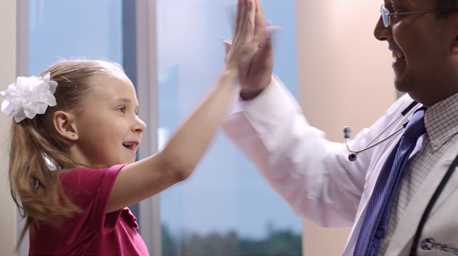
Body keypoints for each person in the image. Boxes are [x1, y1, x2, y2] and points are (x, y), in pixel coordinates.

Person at [2, 0, 259, 254]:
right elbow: (174, 165)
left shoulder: (101, 206)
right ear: (67, 125)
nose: (141, 124)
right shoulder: (68, 191)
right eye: (121, 109)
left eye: (136, 111)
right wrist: (231, 71)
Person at [221, 0, 458, 255]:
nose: (379, 31)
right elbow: (324, 180)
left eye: (397, 12)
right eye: (384, 12)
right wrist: (257, 89)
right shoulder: (409, 120)